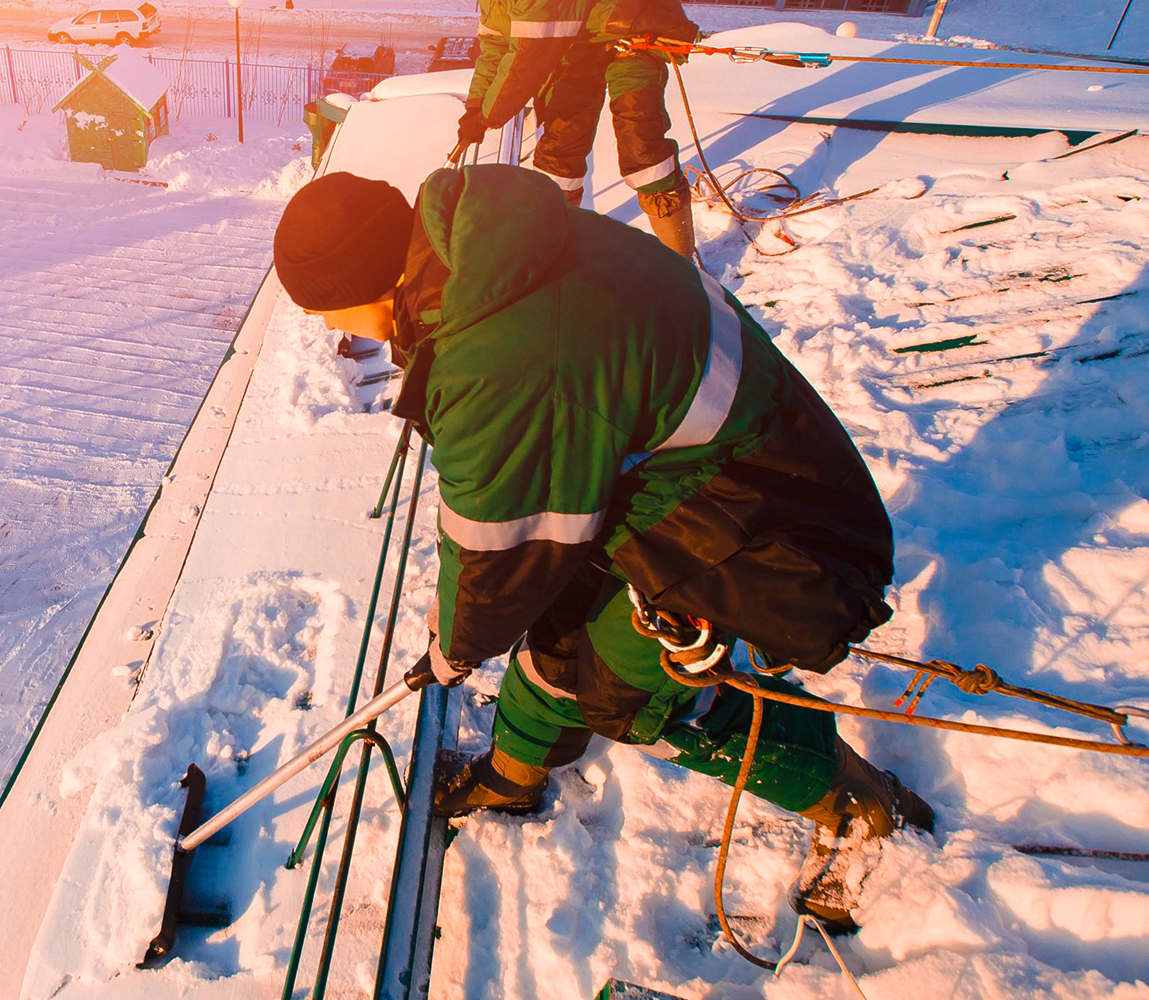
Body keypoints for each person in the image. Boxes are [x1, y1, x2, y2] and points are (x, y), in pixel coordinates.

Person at [271, 167, 935, 929]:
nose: (333, 328)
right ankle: (514, 776)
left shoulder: (495, 354)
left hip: (762, 522)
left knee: (631, 694)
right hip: (704, 468)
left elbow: (497, 550)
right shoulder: (487, 252)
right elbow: (511, 525)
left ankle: (856, 801)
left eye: (329, 307)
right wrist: (470, 622)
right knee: (556, 625)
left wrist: (453, 647)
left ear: (364, 278)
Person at [458, 0, 703, 257]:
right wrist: (475, 106)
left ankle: (684, 263)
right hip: (576, 46)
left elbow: (528, 56)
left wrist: (488, 117)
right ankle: (557, 262)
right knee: (558, 153)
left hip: (633, 29)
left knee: (642, 148)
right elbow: (495, 48)